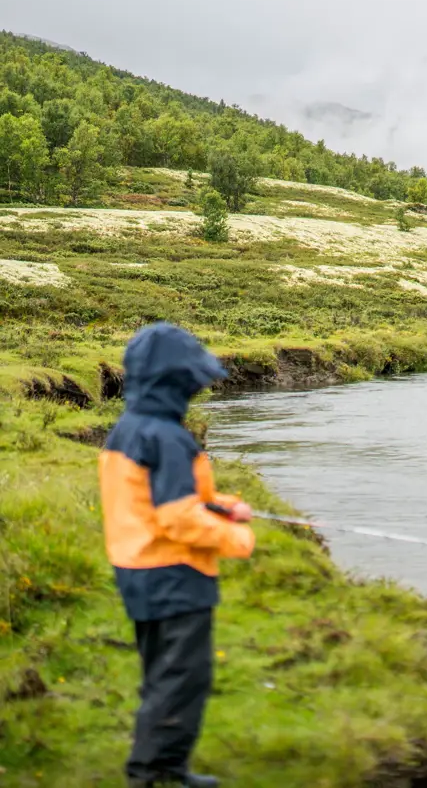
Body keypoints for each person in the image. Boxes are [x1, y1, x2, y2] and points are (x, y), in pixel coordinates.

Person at [98, 322, 256, 787]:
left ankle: (161, 767)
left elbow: (156, 499)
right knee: (182, 678)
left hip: (137, 567)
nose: (197, 390)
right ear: (173, 381)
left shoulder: (129, 428)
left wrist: (221, 506)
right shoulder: (168, 437)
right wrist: (238, 539)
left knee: (162, 673)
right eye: (192, 382)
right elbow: (179, 520)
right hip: (173, 573)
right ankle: (155, 775)